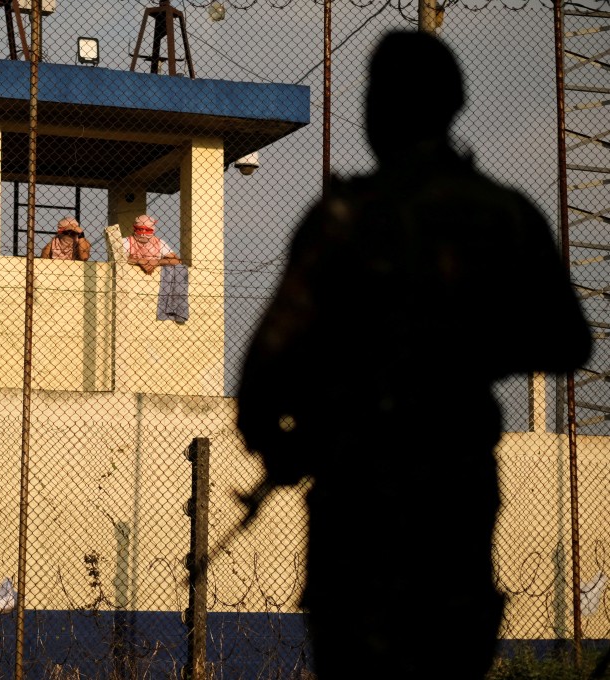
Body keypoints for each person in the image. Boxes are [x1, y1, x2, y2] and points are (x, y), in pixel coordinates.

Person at [236, 31, 591, 680]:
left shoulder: (342, 220)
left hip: (356, 530)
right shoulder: (503, 216)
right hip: (452, 518)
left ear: (381, 110)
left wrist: (289, 440)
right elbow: (570, 339)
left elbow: (261, 383)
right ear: (451, 104)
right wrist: (468, 355)